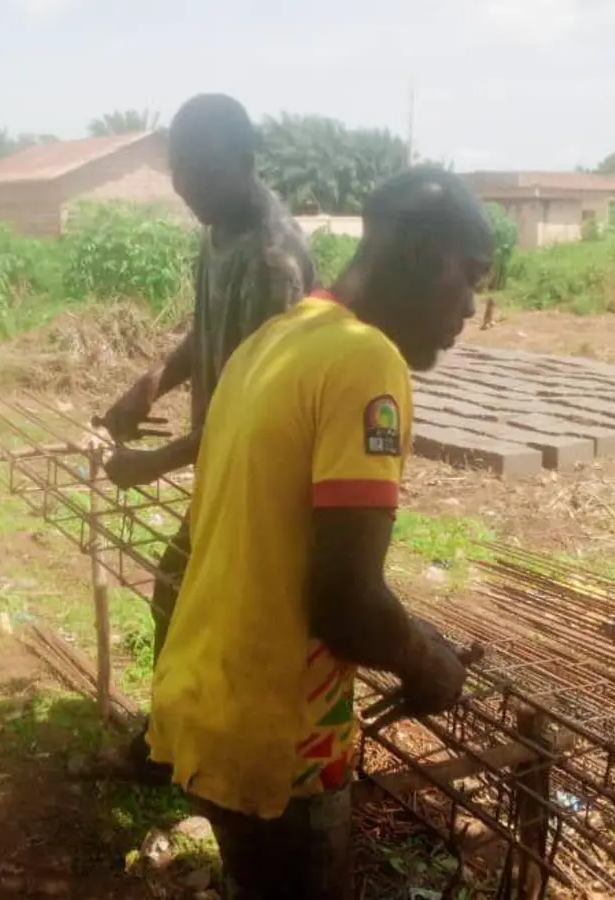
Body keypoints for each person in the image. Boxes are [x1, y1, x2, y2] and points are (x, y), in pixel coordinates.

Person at [145, 166, 493, 899]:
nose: (470, 306)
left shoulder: (275, 340)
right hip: (279, 743)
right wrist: (426, 662)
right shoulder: (366, 361)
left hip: (207, 703)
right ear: (421, 254)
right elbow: (344, 601)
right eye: (469, 277)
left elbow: (269, 542)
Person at [94, 93, 314, 778]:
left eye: (202, 178)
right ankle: (182, 734)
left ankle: (208, 747)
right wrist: (152, 382)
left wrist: (156, 460)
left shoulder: (276, 264)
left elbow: (260, 410)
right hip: (221, 463)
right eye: (180, 179)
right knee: (186, 596)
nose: (189, 194)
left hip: (264, 472)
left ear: (245, 165)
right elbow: (205, 333)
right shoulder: (217, 230)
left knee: (214, 606)